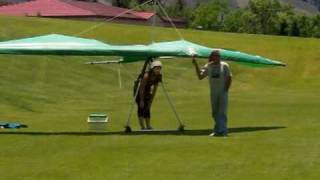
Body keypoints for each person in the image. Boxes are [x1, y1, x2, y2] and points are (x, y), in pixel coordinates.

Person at [192, 50, 232, 137]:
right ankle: (217, 130)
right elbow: (200, 76)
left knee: (222, 112)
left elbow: (229, 77)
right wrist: (195, 64)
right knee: (215, 112)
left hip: (223, 92)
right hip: (213, 92)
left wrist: (226, 89)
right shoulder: (208, 66)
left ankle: (223, 131)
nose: (217, 57)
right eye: (215, 56)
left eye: (218, 56)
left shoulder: (224, 65)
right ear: (212, 57)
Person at [135, 60, 162, 130]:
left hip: (147, 91)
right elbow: (141, 88)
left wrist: (151, 101)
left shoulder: (158, 76)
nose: (158, 70)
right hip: (139, 91)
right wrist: (141, 100)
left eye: (159, 68)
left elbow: (155, 89)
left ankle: (148, 126)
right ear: (153, 69)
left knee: (147, 108)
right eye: (157, 68)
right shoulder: (146, 76)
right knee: (141, 107)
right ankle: (142, 127)